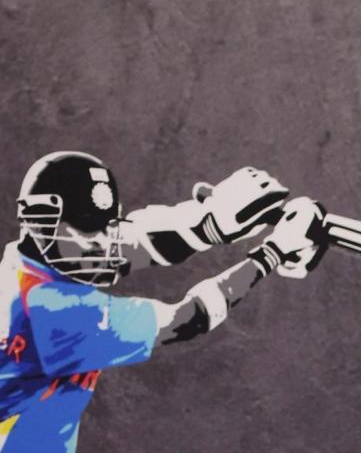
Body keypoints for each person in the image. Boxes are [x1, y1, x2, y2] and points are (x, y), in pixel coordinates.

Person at [0, 151, 328, 451]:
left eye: (105, 227)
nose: (101, 243)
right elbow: (186, 320)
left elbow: (132, 242)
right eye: (88, 229)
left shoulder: (23, 262)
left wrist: (210, 224)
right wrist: (272, 253)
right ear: (42, 223)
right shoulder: (56, 314)